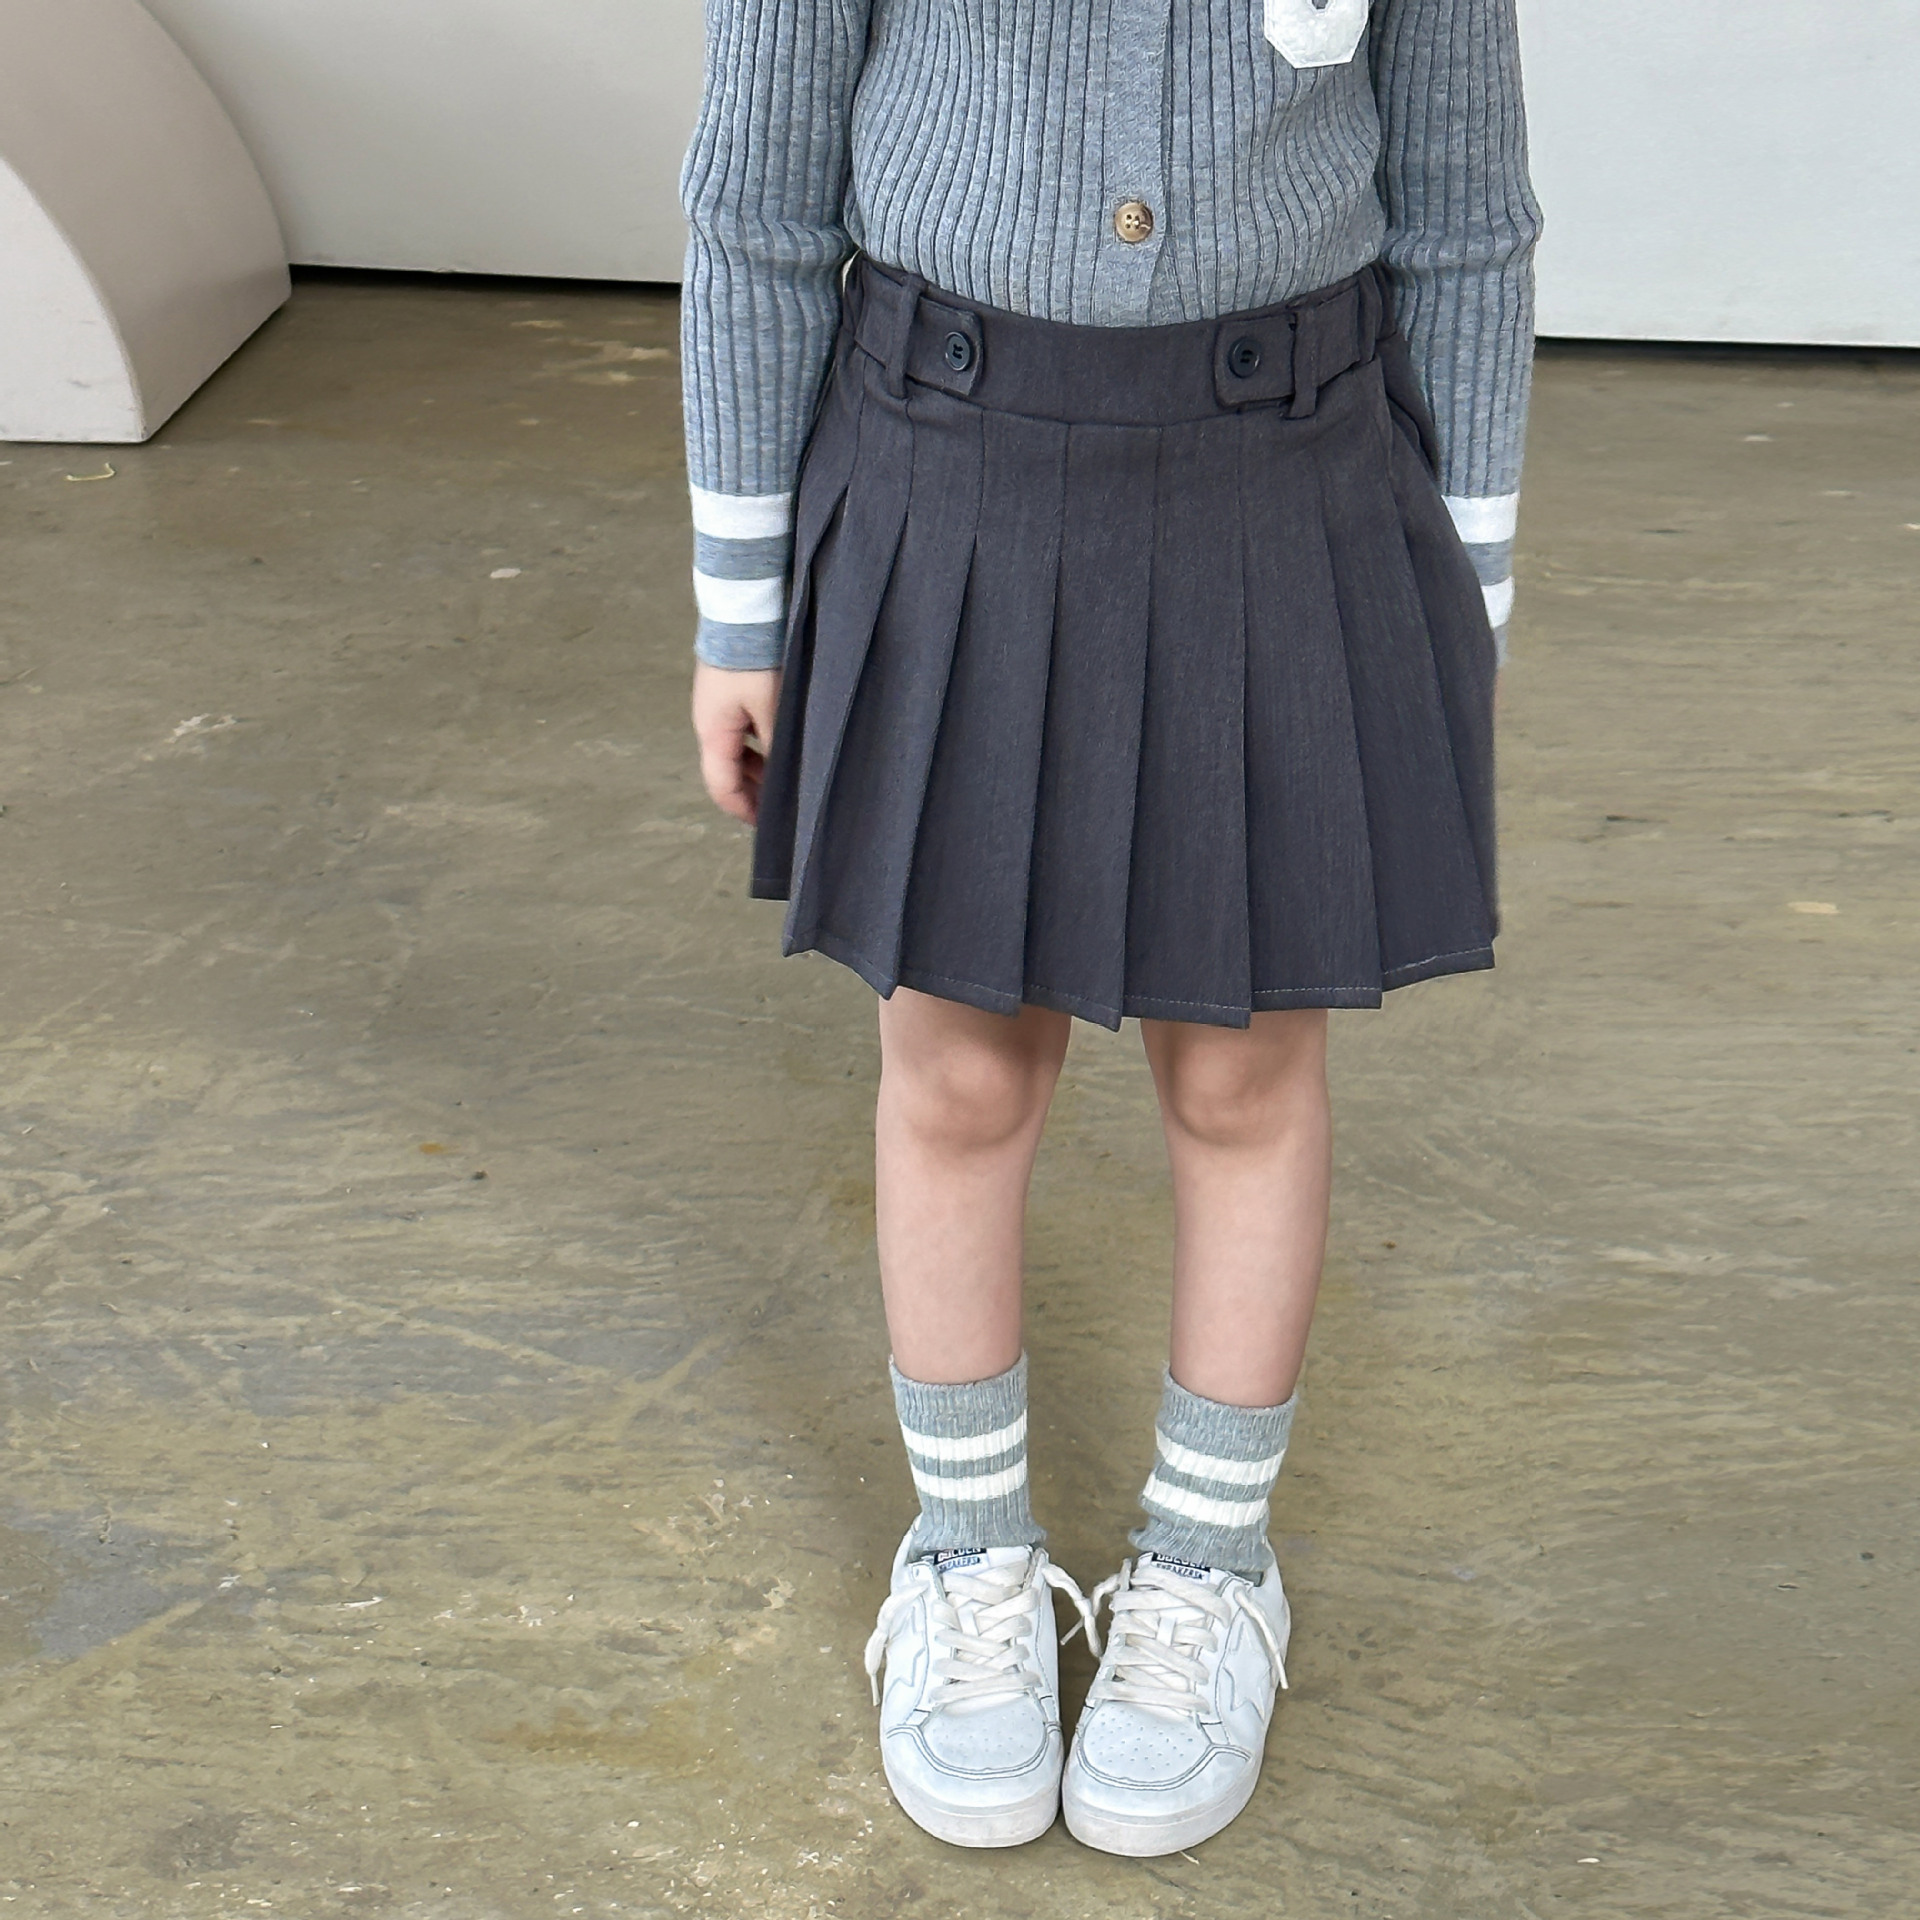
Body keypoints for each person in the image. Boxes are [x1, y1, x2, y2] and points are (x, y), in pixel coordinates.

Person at [678, 0, 1539, 1857]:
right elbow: (756, 195)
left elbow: (1470, 215)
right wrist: (741, 604)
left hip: (1285, 478)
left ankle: (1210, 1566)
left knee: (1242, 1075)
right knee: (961, 1073)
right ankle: (966, 1556)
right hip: (947, 465)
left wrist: (1459, 605)